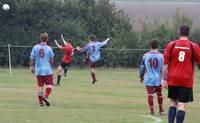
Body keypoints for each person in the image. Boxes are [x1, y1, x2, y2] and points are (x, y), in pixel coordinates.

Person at [162, 25, 200, 123]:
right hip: (186, 79)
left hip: (173, 78)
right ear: (189, 34)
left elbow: (165, 64)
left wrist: (163, 79)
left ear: (179, 33)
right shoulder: (193, 46)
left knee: (173, 102)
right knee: (182, 104)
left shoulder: (172, 44)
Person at [139, 40, 165, 115]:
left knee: (150, 94)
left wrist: (141, 77)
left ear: (150, 46)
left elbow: (142, 67)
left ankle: (152, 111)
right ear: (158, 46)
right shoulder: (161, 56)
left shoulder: (145, 55)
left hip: (149, 77)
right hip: (158, 78)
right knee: (159, 94)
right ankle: (161, 110)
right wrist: (165, 78)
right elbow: (164, 68)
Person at [30, 32, 54, 106]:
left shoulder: (35, 47)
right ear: (47, 39)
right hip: (47, 70)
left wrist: (32, 67)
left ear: (40, 39)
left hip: (38, 70)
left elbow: (32, 58)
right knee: (50, 84)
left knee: (40, 86)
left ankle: (40, 102)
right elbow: (52, 60)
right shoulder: (49, 48)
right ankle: (45, 96)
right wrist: (49, 65)